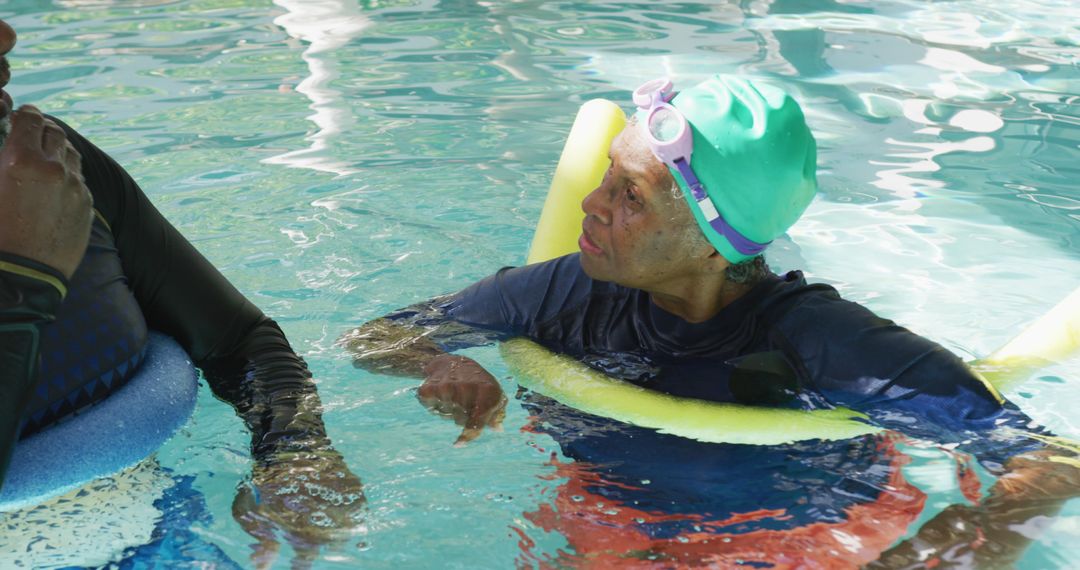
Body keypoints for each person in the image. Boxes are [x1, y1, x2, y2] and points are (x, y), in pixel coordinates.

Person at [343, 75, 1080, 566]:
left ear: (711, 237)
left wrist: (938, 551)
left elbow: (1050, 463)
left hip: (803, 534)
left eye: (630, 196)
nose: (592, 206)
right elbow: (374, 337)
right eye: (605, 178)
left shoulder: (831, 344)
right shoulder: (565, 292)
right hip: (616, 519)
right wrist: (442, 361)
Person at [0, 18, 362, 566]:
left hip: (164, 532)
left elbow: (239, 339)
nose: (6, 36)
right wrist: (27, 278)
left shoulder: (51, 171)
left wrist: (294, 451)